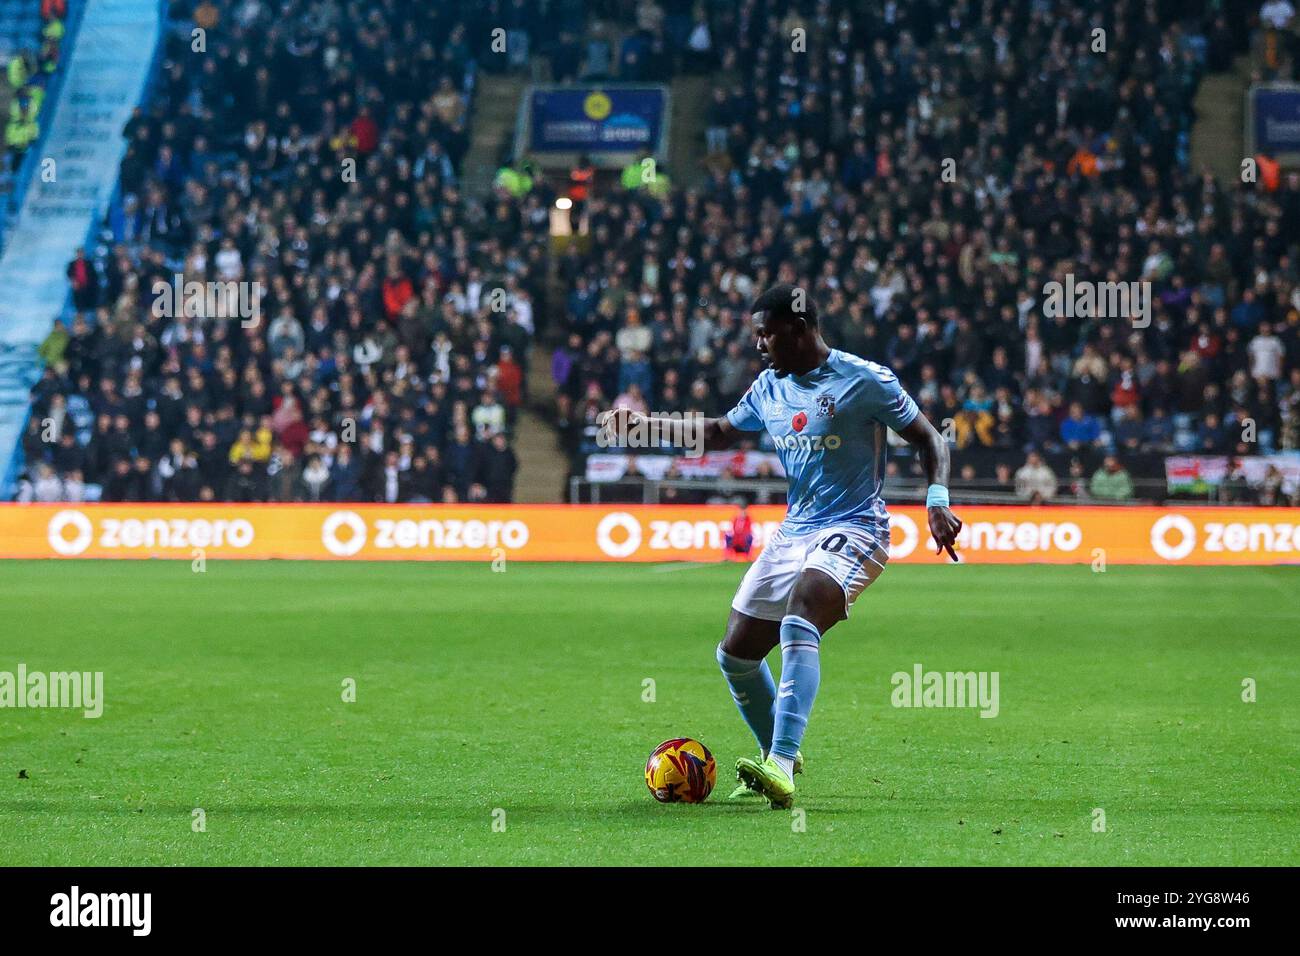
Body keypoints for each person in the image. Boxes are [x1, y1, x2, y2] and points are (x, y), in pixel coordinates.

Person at [600, 284, 962, 808]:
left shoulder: (865, 379)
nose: (760, 346)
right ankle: (778, 751)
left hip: (857, 526)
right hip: (795, 530)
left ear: (799, 329)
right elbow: (720, 432)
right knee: (736, 654)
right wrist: (646, 426)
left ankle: (781, 763)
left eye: (766, 334)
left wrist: (936, 500)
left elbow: (929, 437)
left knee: (801, 615)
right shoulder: (770, 387)